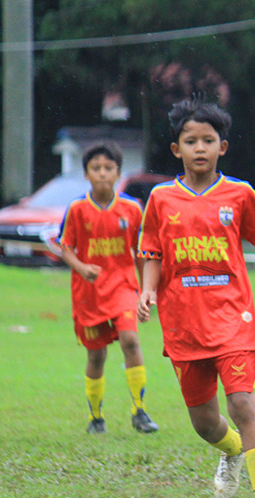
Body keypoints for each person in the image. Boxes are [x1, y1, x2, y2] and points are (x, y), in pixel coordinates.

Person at [137, 98, 255, 498]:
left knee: (242, 401)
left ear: (222, 146)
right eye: (190, 141)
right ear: (175, 149)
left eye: (207, 140)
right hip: (182, 322)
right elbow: (152, 251)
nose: (199, 148)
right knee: (204, 422)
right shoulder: (162, 199)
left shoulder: (240, 194)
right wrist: (146, 290)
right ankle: (232, 449)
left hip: (232, 319)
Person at [58, 141, 159, 435]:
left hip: (123, 288)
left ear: (118, 173)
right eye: (96, 168)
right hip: (88, 295)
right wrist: (82, 267)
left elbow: (141, 253)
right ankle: (96, 417)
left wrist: (144, 291)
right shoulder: (77, 209)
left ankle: (139, 412)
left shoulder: (131, 208)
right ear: (86, 174)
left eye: (108, 168)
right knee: (96, 355)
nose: (102, 173)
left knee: (130, 341)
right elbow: (65, 248)